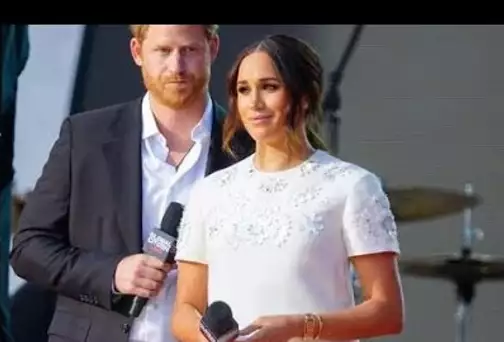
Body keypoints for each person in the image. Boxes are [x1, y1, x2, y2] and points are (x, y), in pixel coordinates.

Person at [10, 25, 253, 342]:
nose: (177, 67)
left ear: (213, 47)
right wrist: (111, 273)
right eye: (163, 51)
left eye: (189, 50)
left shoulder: (249, 150)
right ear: (137, 52)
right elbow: (29, 248)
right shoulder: (86, 137)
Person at [171, 34, 404, 342]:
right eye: (244, 90)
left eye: (269, 87)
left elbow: (387, 311)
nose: (254, 103)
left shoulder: (352, 187)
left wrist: (298, 327)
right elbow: (185, 309)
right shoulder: (210, 192)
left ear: (304, 96)